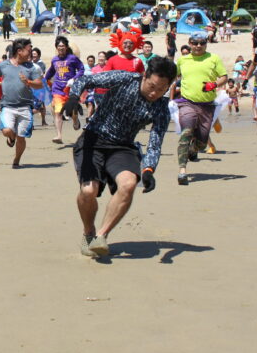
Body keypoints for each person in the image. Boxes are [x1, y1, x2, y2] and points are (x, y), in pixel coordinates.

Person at [63, 57, 178, 258]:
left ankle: (101, 236)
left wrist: (149, 169)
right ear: (145, 76)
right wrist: (73, 97)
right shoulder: (125, 79)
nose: (154, 93)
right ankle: (88, 232)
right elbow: (85, 80)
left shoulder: (161, 107)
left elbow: (156, 140)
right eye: (152, 86)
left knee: (128, 184)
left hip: (123, 147)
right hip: (93, 140)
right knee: (89, 191)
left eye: (161, 90)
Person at [172, 32, 227, 185]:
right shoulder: (183, 60)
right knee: (186, 133)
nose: (198, 46)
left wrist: (214, 84)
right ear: (189, 43)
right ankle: (182, 171)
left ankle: (193, 150)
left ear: (206, 43)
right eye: (194, 43)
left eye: (201, 43)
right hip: (186, 102)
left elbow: (224, 76)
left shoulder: (213, 58)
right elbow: (173, 76)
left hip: (207, 105)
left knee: (202, 142)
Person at [0, 38, 42, 168]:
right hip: (8, 105)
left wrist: (28, 82)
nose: (31, 52)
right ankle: (11, 137)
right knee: (7, 130)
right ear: (19, 51)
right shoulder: (3, 65)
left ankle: (17, 159)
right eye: (29, 50)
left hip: (25, 107)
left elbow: (39, 84)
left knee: (21, 136)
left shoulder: (32, 67)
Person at [44, 36, 85, 143]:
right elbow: (51, 71)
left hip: (71, 90)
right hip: (57, 89)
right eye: (59, 46)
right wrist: (44, 79)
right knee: (58, 112)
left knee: (73, 112)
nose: (61, 48)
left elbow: (81, 69)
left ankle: (75, 121)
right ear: (56, 47)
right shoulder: (54, 59)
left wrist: (74, 79)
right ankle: (59, 135)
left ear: (66, 47)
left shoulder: (72, 58)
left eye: (63, 46)